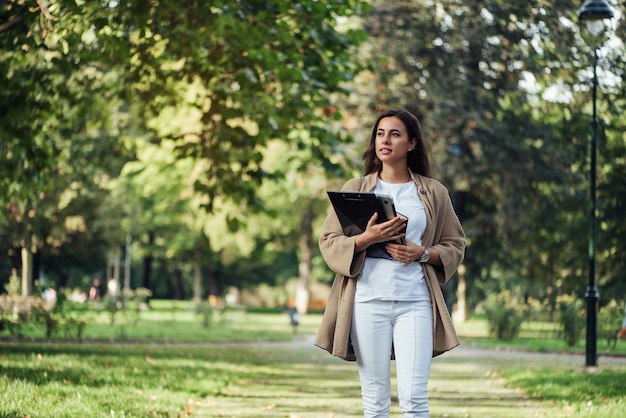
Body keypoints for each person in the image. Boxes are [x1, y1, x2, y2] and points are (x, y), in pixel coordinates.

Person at [315, 109, 466, 417]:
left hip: (416, 302)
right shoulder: (355, 189)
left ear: (412, 144)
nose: (385, 140)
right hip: (368, 301)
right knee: (374, 399)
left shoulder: (433, 192)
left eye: (395, 134)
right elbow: (329, 241)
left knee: (414, 398)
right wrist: (365, 239)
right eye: (380, 133)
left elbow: (455, 245)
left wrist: (421, 253)